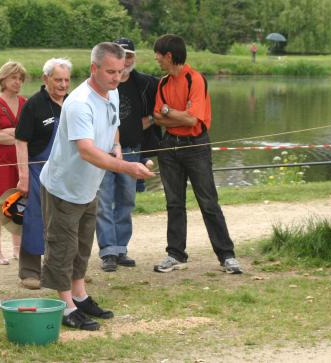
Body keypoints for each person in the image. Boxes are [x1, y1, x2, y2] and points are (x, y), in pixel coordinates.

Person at [39, 42, 154, 330]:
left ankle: (80, 296)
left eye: (120, 70)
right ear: (94, 68)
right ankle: (65, 308)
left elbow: (113, 124)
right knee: (62, 247)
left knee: (82, 245)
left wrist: (116, 146)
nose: (117, 77)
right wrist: (127, 166)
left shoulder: (112, 92)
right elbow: (87, 151)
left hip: (89, 185)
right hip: (64, 187)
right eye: (110, 71)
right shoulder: (79, 103)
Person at [151, 34, 242, 275]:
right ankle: (175, 254)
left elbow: (193, 119)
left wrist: (170, 111)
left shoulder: (195, 79)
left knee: (208, 201)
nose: (157, 60)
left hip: (195, 146)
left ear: (169, 56)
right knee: (174, 202)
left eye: (158, 55)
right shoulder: (162, 84)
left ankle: (227, 255)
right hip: (169, 146)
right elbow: (158, 117)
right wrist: (174, 114)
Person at [95, 37, 159, 272]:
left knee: (127, 201)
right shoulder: (102, 83)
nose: (126, 59)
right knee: (103, 201)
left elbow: (157, 114)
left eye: (129, 54)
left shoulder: (144, 83)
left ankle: (121, 248)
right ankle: (108, 251)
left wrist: (148, 152)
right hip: (103, 152)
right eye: (121, 54)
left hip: (132, 151)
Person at [14, 58, 72, 289]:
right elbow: (20, 141)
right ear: (45, 79)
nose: (63, 85)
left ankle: (65, 271)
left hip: (67, 171)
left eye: (66, 80)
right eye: (58, 80)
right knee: (35, 219)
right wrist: (23, 176)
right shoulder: (34, 105)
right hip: (38, 170)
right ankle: (29, 272)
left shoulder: (73, 103)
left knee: (67, 221)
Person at [0, 61, 27, 265]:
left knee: (19, 203)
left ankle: (18, 248)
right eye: (13, 78)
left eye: (20, 79)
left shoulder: (25, 103)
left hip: (21, 161)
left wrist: (11, 134)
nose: (17, 82)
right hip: (0, 161)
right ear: (3, 78)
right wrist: (17, 136)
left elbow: (29, 136)